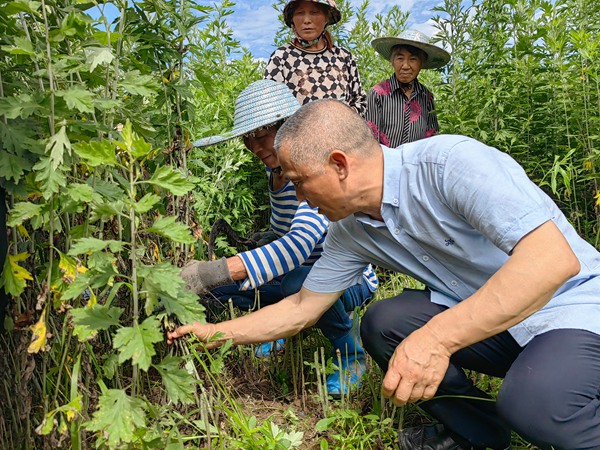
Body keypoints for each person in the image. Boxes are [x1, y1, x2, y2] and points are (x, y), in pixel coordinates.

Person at [169, 99, 600, 450]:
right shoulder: (350, 229)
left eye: (300, 181)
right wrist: (215, 333)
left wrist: (436, 339)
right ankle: (480, 435)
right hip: (499, 321)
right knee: (384, 322)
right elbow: (302, 307)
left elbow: (552, 261)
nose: (297, 195)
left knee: (537, 406)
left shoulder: (449, 165)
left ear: (339, 164)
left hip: (571, 309)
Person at [186, 81, 378, 396]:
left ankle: (351, 353)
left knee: (293, 280)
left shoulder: (310, 169)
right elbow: (285, 229)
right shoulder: (274, 173)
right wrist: (266, 237)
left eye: (262, 136)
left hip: (348, 280)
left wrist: (217, 271)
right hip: (301, 273)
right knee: (231, 292)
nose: (256, 147)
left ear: (287, 127)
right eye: (248, 139)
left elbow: (301, 242)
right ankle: (277, 325)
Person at [264, 0, 366, 115]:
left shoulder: (343, 56)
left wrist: (339, 119)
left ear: (327, 18)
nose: (307, 20)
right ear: (292, 19)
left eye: (314, 12)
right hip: (298, 132)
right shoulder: (281, 57)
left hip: (343, 131)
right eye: (300, 13)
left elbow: (359, 101)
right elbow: (272, 111)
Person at [365, 30, 450, 147]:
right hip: (385, 162)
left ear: (422, 64)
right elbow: (370, 138)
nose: (405, 66)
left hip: (417, 163)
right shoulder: (378, 93)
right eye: (400, 59)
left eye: (413, 60)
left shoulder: (427, 97)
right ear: (392, 61)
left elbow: (431, 137)